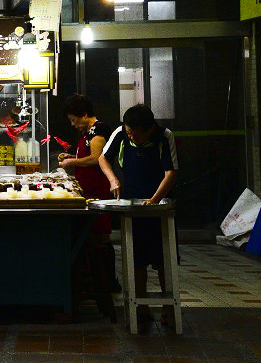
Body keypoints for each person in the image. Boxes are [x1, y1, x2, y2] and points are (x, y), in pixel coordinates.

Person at [99, 104, 179, 326]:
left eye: (137, 134)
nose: (132, 136)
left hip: (160, 206)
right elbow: (103, 158)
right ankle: (141, 307)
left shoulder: (165, 136)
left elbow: (171, 173)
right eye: (130, 132)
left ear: (150, 129)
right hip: (132, 204)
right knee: (137, 257)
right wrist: (113, 179)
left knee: (164, 258)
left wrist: (154, 201)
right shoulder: (121, 132)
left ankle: (168, 309)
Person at [59, 94, 120, 292]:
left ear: (84, 115)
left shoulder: (98, 130)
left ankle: (109, 282)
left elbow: (96, 158)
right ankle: (95, 279)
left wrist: (71, 162)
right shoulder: (88, 133)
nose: (73, 124)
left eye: (73, 119)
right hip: (89, 190)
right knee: (93, 234)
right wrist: (71, 156)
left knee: (101, 235)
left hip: (99, 190)